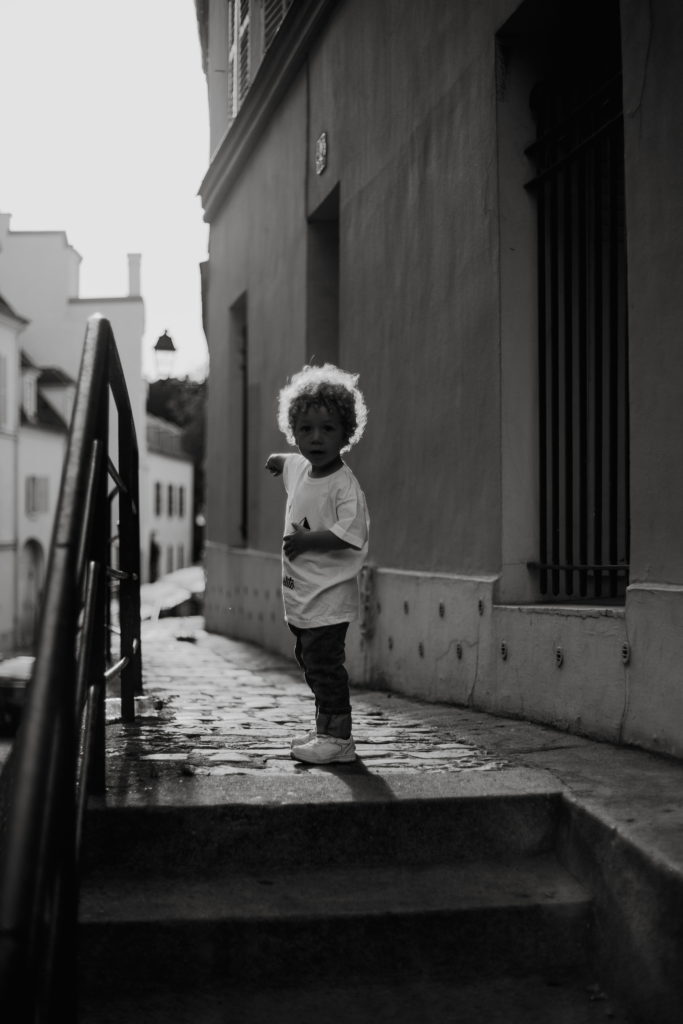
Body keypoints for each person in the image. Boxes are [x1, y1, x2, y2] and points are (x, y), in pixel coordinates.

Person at [265, 363, 370, 764]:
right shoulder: (300, 468)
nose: (316, 438)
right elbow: (288, 462)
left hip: (329, 598)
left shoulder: (344, 486)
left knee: (326, 666)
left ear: (346, 433)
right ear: (295, 432)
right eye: (306, 429)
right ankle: (325, 728)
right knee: (312, 663)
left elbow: (351, 532)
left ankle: (339, 737)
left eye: (327, 429)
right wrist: (277, 458)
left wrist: (308, 540)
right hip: (303, 598)